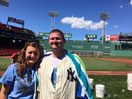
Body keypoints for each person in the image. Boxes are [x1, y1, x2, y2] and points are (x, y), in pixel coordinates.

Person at [36, 29, 93, 99]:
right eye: (52, 39)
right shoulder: (41, 60)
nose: (54, 41)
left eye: (58, 38)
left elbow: (83, 86)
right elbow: (39, 88)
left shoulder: (74, 61)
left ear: (64, 41)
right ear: (48, 41)